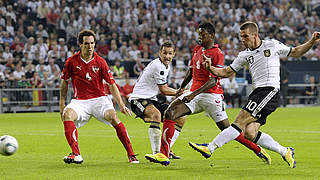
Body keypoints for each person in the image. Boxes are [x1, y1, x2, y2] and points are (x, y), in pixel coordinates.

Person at [190, 21, 320, 168]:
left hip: (270, 91)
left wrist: (311, 41)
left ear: (255, 35)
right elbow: (226, 72)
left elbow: (295, 52)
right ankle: (285, 151)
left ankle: (210, 147)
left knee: (239, 122)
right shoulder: (244, 55)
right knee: (249, 133)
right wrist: (210, 67)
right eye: (241, 37)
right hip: (257, 93)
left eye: (245, 36)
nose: (243, 40)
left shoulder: (271, 45)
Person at [146, 22, 271, 166]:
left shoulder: (217, 54)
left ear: (211, 36)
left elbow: (213, 81)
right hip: (195, 94)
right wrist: (182, 87)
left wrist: (192, 95)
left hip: (212, 96)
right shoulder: (197, 49)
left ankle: (258, 149)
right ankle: (163, 154)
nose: (199, 37)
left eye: (202, 34)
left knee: (228, 129)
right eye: (199, 34)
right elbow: (191, 70)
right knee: (170, 113)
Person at [60, 29, 139, 164]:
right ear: (80, 44)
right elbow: (64, 82)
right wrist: (62, 103)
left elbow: (111, 84)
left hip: (99, 100)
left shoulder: (100, 61)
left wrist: (121, 105)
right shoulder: (71, 62)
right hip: (80, 101)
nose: (90, 46)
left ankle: (131, 154)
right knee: (67, 114)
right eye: (86, 44)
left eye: (92, 43)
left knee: (114, 117)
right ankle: (76, 154)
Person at [129, 41, 186, 164]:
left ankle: (166, 150)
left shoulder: (166, 66)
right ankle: (157, 154)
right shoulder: (157, 66)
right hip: (138, 99)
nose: (167, 56)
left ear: (174, 54)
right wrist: (178, 92)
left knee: (181, 117)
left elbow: (163, 87)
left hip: (152, 99)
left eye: (170, 53)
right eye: (164, 53)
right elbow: (164, 90)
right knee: (156, 115)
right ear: (159, 53)